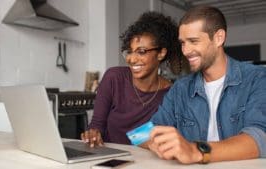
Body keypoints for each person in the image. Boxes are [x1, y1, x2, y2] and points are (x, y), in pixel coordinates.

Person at [145, 6, 266, 164]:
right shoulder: (180, 89)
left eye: (193, 41)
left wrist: (195, 150)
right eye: (182, 43)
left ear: (218, 38)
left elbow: (259, 139)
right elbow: (141, 134)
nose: (186, 51)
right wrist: (153, 140)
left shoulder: (257, 78)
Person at [81, 11, 186, 147]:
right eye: (129, 51)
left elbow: (158, 136)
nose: (132, 59)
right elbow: (96, 124)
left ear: (161, 53)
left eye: (141, 52)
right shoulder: (114, 78)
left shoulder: (171, 94)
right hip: (108, 159)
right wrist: (93, 133)